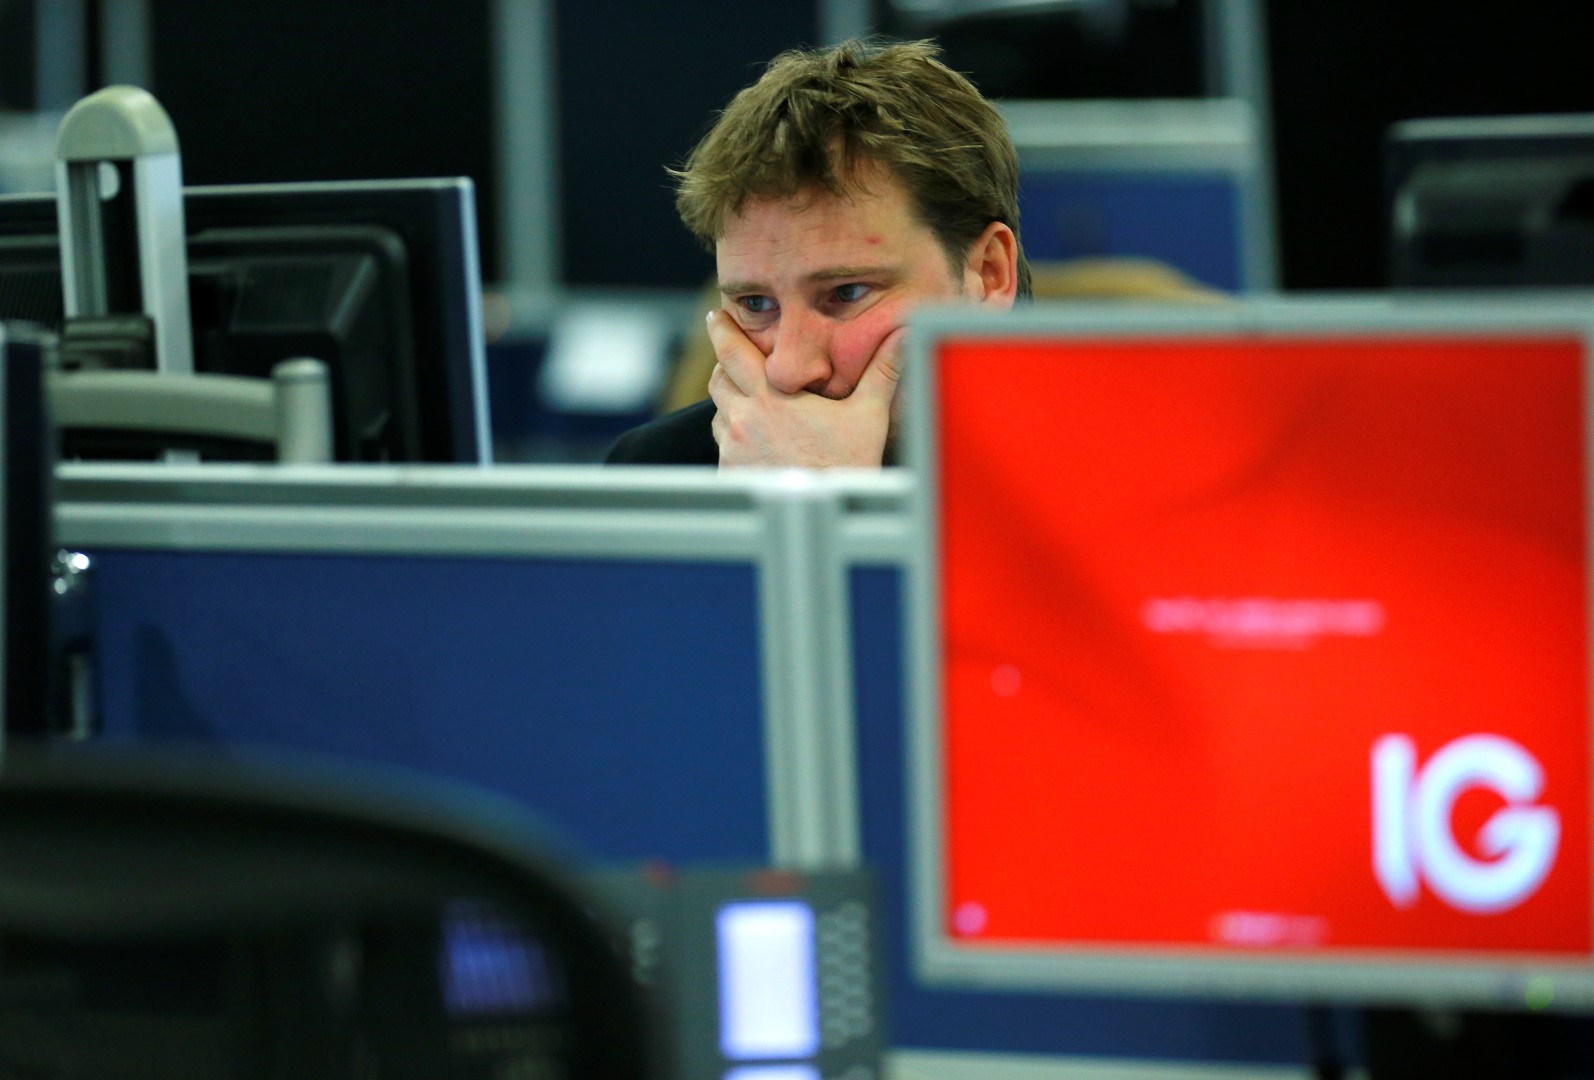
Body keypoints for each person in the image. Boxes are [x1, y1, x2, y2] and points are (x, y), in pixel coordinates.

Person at [605, 38, 1030, 468]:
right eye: (755, 304)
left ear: (988, 274)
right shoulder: (652, 474)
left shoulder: (1074, 469)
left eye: (847, 293)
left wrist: (831, 496)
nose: (787, 371)